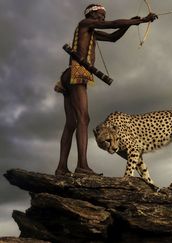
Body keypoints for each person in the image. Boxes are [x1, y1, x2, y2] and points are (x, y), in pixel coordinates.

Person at [54, 4, 158, 176]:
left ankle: (61, 168)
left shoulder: (91, 31)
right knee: (84, 119)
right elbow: (113, 23)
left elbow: (113, 37)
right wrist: (140, 21)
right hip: (77, 73)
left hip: (69, 76)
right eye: (100, 15)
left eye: (103, 16)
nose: (102, 18)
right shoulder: (85, 23)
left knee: (72, 123)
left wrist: (129, 24)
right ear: (91, 14)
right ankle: (82, 166)